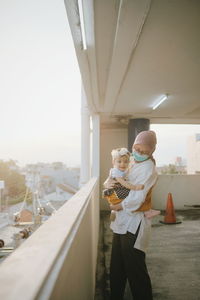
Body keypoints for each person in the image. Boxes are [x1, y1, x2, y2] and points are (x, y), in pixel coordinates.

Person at [104, 130, 158, 300]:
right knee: (117, 267)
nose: (139, 153)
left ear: (152, 151)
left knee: (135, 270)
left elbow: (137, 198)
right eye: (137, 148)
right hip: (121, 223)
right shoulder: (131, 160)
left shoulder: (149, 168)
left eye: (144, 151)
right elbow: (113, 175)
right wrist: (108, 185)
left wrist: (117, 205)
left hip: (134, 225)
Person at [103, 147, 160, 221]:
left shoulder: (123, 169)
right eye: (119, 162)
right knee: (137, 194)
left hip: (115, 194)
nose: (122, 164)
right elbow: (123, 183)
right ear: (113, 162)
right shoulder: (116, 171)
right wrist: (135, 187)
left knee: (140, 194)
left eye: (125, 162)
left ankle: (114, 211)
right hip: (116, 193)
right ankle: (147, 211)